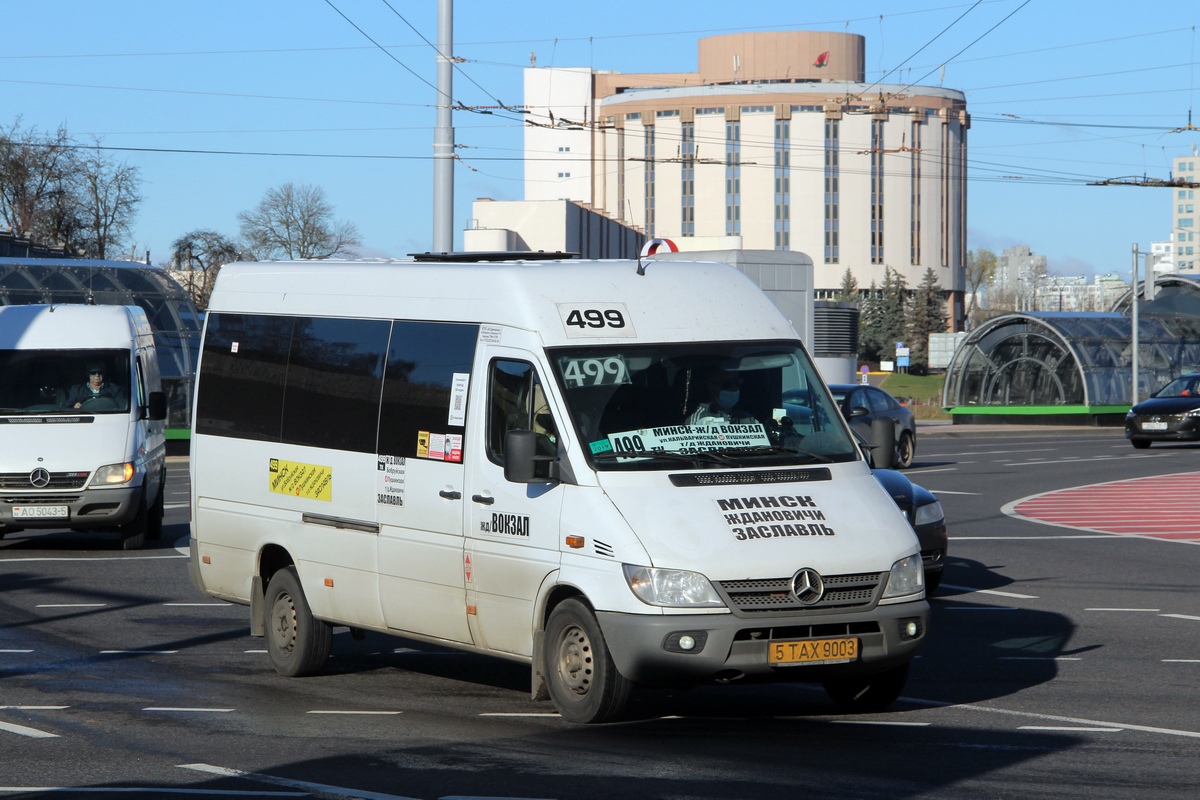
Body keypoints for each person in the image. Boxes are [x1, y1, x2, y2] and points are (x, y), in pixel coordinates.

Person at [686, 370, 757, 425]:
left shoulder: (747, 417)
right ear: (711, 387)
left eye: (737, 382)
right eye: (726, 384)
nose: (733, 387)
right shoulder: (700, 417)